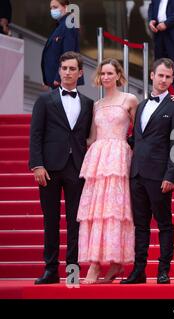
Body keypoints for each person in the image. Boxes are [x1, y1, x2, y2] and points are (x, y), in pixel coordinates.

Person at [120, 58, 174, 284]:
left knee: (164, 223)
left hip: (159, 176)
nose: (164, 80)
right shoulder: (140, 106)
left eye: (168, 77)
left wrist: (171, 175)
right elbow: (137, 138)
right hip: (137, 173)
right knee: (140, 225)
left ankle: (163, 271)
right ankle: (139, 270)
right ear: (152, 76)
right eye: (161, 75)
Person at [29, 51, 93, 284]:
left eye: (72, 69)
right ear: (59, 70)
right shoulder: (44, 100)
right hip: (49, 168)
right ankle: (50, 269)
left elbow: (86, 136)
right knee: (51, 220)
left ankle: (72, 270)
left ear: (80, 73)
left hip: (76, 167)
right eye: (64, 68)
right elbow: (35, 134)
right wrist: (37, 164)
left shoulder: (87, 103)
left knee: (75, 221)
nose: (67, 72)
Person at [76, 59, 139, 284]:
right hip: (99, 158)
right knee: (97, 211)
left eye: (110, 73)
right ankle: (95, 263)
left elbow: (141, 129)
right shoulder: (97, 105)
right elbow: (92, 136)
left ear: (118, 75)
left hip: (120, 157)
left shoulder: (129, 99)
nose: (106, 77)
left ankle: (114, 263)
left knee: (115, 210)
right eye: (103, 73)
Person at [148, 0, 174, 96]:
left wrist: (167, 23)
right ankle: (158, 97)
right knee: (158, 67)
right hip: (158, 32)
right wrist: (151, 20)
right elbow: (152, 5)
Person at [42, 0, 84, 90]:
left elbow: (68, 54)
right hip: (54, 79)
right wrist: (46, 79)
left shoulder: (68, 25)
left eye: (55, 7)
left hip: (62, 80)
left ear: (65, 7)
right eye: (51, 8)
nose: (52, 10)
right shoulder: (60, 25)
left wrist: (58, 77)